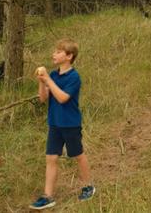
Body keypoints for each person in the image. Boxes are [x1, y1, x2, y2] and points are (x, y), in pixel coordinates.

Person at [30, 39, 95, 210]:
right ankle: (48, 196)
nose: (54, 54)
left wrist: (48, 81)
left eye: (58, 52)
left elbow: (62, 98)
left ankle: (88, 186)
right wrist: (41, 81)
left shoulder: (74, 77)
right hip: (55, 123)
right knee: (51, 158)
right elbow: (43, 99)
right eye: (55, 51)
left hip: (70, 124)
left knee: (78, 155)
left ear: (69, 56)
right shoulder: (53, 75)